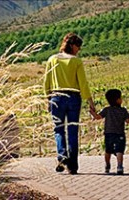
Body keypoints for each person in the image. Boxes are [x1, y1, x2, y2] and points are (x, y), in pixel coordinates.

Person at [44, 33, 95, 175]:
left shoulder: (52, 59)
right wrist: (91, 102)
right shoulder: (76, 61)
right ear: (72, 45)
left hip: (56, 97)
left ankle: (62, 157)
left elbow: (46, 82)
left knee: (58, 129)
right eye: (78, 46)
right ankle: (72, 166)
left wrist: (47, 99)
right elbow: (83, 84)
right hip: (73, 97)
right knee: (72, 131)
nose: (79, 49)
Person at [90, 89, 129, 175]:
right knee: (119, 150)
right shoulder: (123, 110)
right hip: (120, 133)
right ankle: (119, 166)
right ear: (117, 100)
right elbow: (128, 121)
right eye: (120, 98)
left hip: (108, 134)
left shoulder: (107, 110)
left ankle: (107, 165)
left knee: (108, 150)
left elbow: (98, 117)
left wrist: (92, 113)